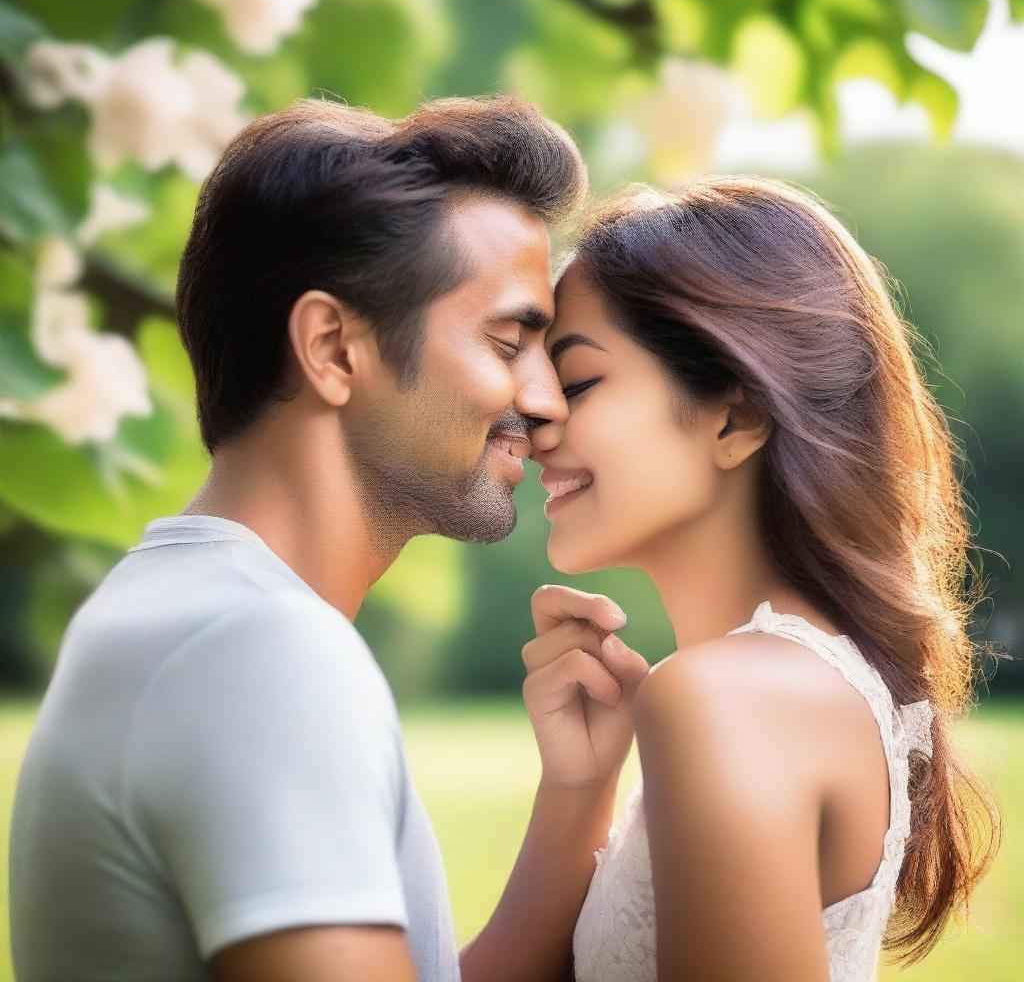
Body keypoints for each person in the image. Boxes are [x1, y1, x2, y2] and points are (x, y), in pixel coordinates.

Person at [8, 94, 651, 982]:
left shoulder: (184, 612)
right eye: (510, 342)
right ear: (333, 348)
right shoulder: (257, 652)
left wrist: (577, 796)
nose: (546, 405)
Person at [529, 177, 1002, 981]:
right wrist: (579, 792)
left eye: (575, 383)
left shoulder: (723, 698)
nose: (535, 416)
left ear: (735, 416)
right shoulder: (789, 683)